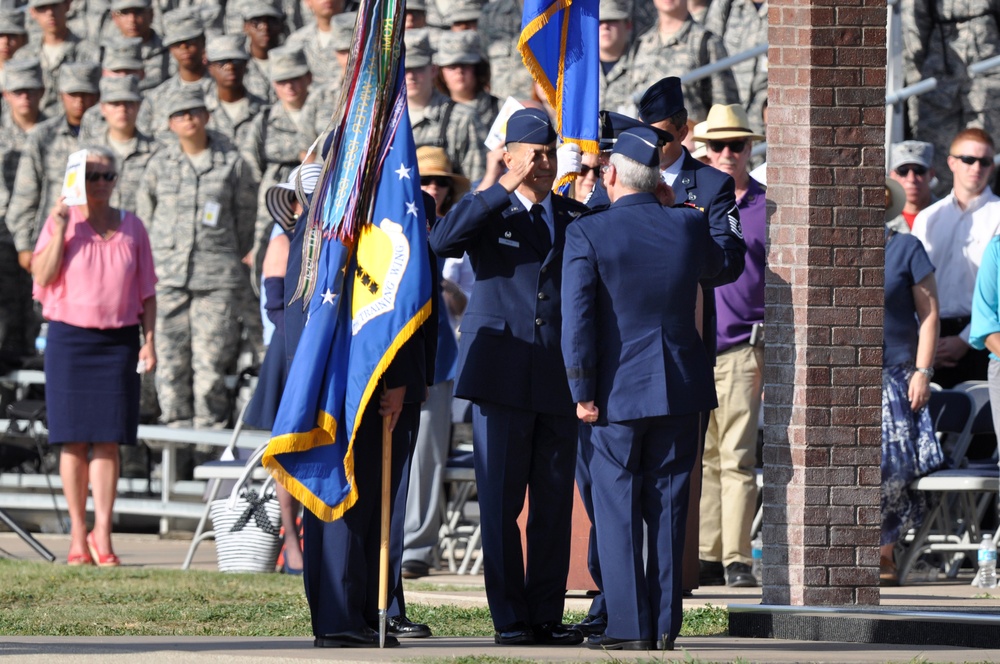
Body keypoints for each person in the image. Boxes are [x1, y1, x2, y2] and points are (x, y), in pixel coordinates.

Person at [429, 108, 586, 647]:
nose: (542, 164)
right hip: (499, 374)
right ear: (511, 155)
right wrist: (500, 186)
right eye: (533, 155)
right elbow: (440, 242)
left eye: (549, 154)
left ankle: (545, 613)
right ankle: (510, 619)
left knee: (552, 504)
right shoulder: (489, 211)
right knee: (500, 504)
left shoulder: (572, 216)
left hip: (558, 376)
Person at [561, 126, 720, 650]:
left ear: (609, 174)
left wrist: (581, 388)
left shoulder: (589, 232)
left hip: (615, 393)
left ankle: (628, 627)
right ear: (657, 179)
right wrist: (673, 208)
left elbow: (578, 321)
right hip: (678, 388)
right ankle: (663, 629)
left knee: (616, 509)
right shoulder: (689, 228)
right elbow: (719, 268)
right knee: (670, 511)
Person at [30, 146, 157, 567]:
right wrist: (61, 224)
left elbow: (147, 292)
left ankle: (103, 533)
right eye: (92, 176)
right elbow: (42, 276)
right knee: (72, 438)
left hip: (118, 341)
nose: (100, 183)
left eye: (107, 176)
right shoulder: (60, 223)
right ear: (76, 180)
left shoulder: (133, 226)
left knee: (108, 439)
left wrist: (149, 340)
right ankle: (77, 536)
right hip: (69, 341)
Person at [134, 86, 258, 428]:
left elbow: (245, 219)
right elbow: (144, 218)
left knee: (210, 369)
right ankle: (173, 458)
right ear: (170, 124)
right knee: (169, 369)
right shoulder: (159, 164)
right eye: (179, 115)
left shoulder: (232, 163)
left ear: (206, 116)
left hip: (216, 280)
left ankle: (208, 455)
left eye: (193, 112)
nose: (187, 119)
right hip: (167, 279)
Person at [691, 104, 765, 588]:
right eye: (716, 145)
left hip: (742, 346)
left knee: (736, 456)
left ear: (749, 149)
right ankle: (706, 555)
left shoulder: (768, 205)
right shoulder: (688, 199)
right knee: (705, 456)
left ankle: (737, 558)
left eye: (735, 145)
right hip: (694, 344)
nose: (725, 154)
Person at [244, 163, 323, 576]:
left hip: (323, 349)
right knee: (287, 449)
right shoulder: (282, 243)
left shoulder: (334, 241)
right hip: (290, 352)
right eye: (301, 197)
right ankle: (290, 541)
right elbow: (275, 309)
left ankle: (317, 535)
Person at [400, 146, 466, 580]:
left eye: (441, 182)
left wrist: (438, 279)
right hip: (390, 356)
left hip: (436, 358)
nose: (434, 188)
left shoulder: (454, 231)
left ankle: (416, 548)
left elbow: (464, 302)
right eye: (425, 180)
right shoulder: (394, 223)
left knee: (426, 459)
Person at [881, 179, 943, 586]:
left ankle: (883, 550)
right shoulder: (837, 250)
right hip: (846, 377)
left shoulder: (906, 248)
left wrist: (923, 371)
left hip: (897, 377)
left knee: (889, 462)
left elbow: (930, 314)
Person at [911, 128, 1000, 388]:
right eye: (968, 159)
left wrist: (964, 340)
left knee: (983, 425)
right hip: (930, 335)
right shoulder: (928, 218)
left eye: (985, 161)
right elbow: (914, 284)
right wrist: (925, 338)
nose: (976, 167)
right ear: (951, 162)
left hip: (983, 336)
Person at [8, 62, 101, 273]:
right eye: (73, 94)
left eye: (86, 94)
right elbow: (26, 194)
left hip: (102, 241)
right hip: (52, 239)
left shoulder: (106, 136)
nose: (80, 101)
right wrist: (24, 245)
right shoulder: (43, 136)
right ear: (61, 95)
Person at [628, 0, 740, 123]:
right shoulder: (642, 44)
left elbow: (725, 110)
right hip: (646, 138)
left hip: (688, 138)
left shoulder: (706, 42)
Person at [405, 29, 487, 183]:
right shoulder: (385, 122)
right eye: (405, 69)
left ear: (434, 69)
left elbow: (476, 182)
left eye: (418, 68)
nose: (410, 76)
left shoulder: (463, 118)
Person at [17, 0, 100, 116]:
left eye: (55, 6)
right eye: (42, 8)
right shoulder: (23, 57)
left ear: (67, 5)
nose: (50, 13)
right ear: (33, 12)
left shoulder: (90, 53)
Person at [204, 35, 268, 148]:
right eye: (222, 62)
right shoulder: (201, 112)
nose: (230, 67)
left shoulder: (264, 110)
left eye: (237, 61)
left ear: (246, 65)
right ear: (210, 68)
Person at [433, 31, 500, 132]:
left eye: (465, 65)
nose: (459, 71)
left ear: (478, 69)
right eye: (452, 66)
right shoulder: (433, 114)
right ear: (441, 73)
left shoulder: (501, 109)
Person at [103, 0, 170, 91]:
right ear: (115, 17)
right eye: (125, 13)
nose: (132, 20)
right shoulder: (104, 52)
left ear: (151, 14)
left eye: (138, 12)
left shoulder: (170, 50)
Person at [886, 141, 936, 234]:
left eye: (919, 170)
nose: (911, 179)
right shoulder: (879, 219)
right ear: (892, 175)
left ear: (931, 174)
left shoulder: (947, 215)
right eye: (903, 171)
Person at [598, 0, 634, 115]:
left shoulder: (643, 64)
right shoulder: (579, 70)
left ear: (628, 25)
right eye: (599, 22)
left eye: (611, 20)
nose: (605, 26)